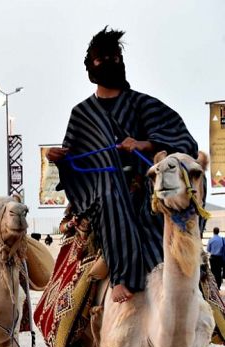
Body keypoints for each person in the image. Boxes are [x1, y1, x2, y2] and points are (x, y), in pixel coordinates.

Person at [47, 27, 198, 303]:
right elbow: (74, 159)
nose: (111, 62)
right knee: (109, 195)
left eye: (115, 57)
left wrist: (144, 144)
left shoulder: (143, 104)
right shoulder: (81, 115)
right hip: (102, 191)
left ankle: (183, 291)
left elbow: (183, 140)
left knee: (163, 208)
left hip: (146, 184)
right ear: (91, 66)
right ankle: (122, 277)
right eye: (102, 58)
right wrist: (59, 158)